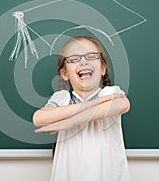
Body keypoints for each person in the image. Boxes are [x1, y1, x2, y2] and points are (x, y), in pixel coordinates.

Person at [33, 36, 131, 181]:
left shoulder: (109, 93)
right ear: (64, 73)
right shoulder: (62, 98)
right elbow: (39, 118)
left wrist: (72, 121)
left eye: (91, 56)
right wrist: (87, 106)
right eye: (74, 59)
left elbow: (123, 104)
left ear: (103, 69)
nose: (84, 62)